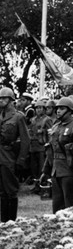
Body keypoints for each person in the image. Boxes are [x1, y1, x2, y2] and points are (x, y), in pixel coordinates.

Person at [45, 97, 73, 213]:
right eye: (57, 109)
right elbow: (51, 149)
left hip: (69, 170)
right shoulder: (56, 127)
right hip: (56, 170)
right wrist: (45, 170)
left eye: (62, 108)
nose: (58, 111)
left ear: (70, 110)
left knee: (70, 204)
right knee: (57, 205)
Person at [0, 86, 29, 222]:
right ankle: (3, 222)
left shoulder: (18, 117)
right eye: (0, 98)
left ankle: (11, 222)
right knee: (1, 192)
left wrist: (21, 160)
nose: (1, 100)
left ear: (11, 100)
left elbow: (25, 140)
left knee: (10, 190)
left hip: (9, 156)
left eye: (4, 98)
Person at [27, 97, 53, 193]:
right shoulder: (32, 120)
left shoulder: (47, 119)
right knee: (34, 167)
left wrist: (48, 143)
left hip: (42, 146)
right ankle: (36, 185)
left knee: (42, 168)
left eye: (41, 108)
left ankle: (43, 186)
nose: (39, 110)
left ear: (44, 109)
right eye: (37, 108)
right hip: (33, 146)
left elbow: (51, 132)